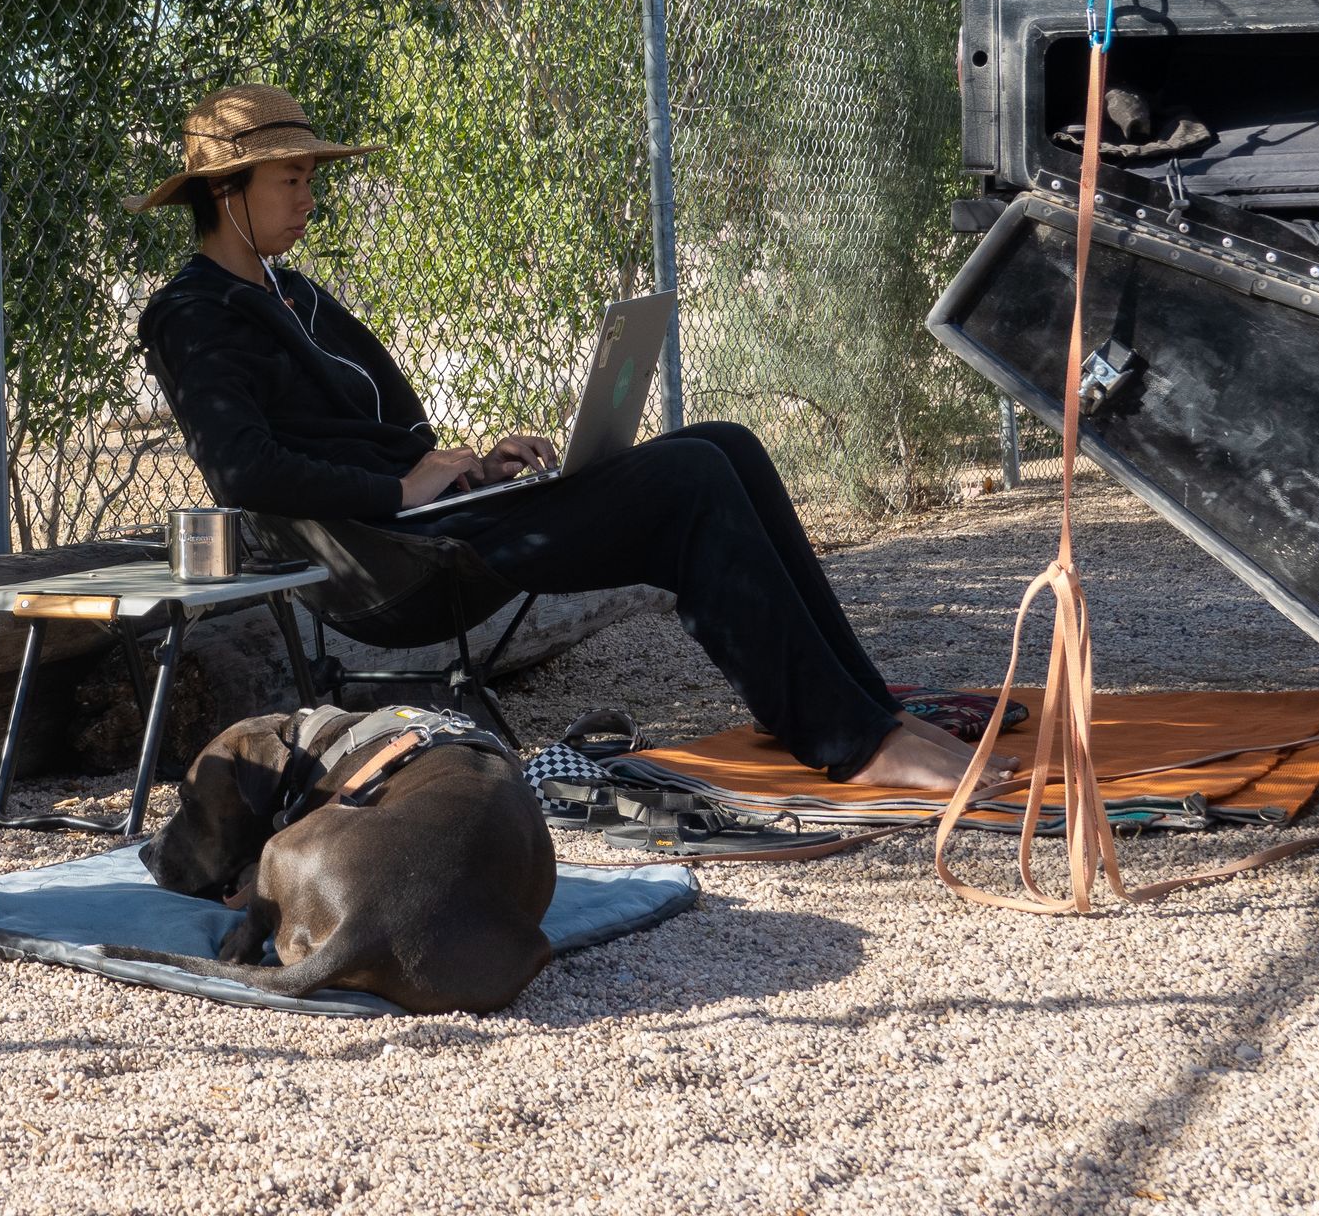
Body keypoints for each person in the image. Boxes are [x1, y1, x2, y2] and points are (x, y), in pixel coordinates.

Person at [131, 83, 996, 792]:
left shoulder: (299, 296)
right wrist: (402, 491)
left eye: (310, 177)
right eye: (290, 180)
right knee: (689, 477)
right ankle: (852, 740)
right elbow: (243, 469)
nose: (309, 198)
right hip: (382, 559)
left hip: (431, 518)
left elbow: (380, 434)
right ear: (224, 191)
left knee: (725, 441)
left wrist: (473, 465)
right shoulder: (192, 316)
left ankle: (860, 701)